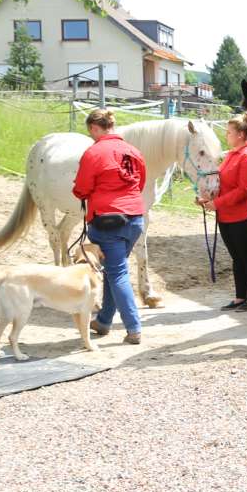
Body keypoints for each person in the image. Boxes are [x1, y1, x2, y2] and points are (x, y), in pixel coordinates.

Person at [72, 109, 147, 345]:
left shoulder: (94, 152)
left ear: (95, 128)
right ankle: (104, 320)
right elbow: (141, 182)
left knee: (117, 273)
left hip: (108, 220)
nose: (91, 136)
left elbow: (82, 188)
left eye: (90, 132)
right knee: (115, 270)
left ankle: (134, 328)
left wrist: (83, 192)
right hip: (134, 218)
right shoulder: (133, 151)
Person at [200, 114, 247, 312]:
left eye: (229, 132)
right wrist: (208, 198)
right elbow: (223, 183)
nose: (226, 135)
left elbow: (243, 190)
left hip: (243, 215)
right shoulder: (232, 155)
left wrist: (217, 203)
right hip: (227, 214)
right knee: (237, 257)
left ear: (241, 135)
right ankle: (240, 296)